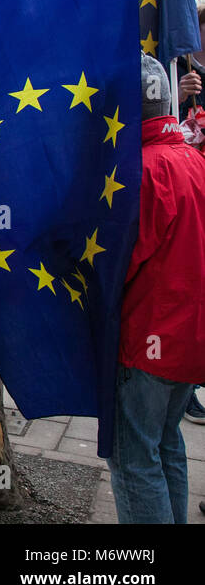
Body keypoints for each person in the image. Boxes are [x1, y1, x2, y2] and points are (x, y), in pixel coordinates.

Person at [106, 55, 205, 524]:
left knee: (134, 458)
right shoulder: (192, 159)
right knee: (167, 444)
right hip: (187, 340)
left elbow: (119, 265)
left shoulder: (139, 171)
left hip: (149, 340)